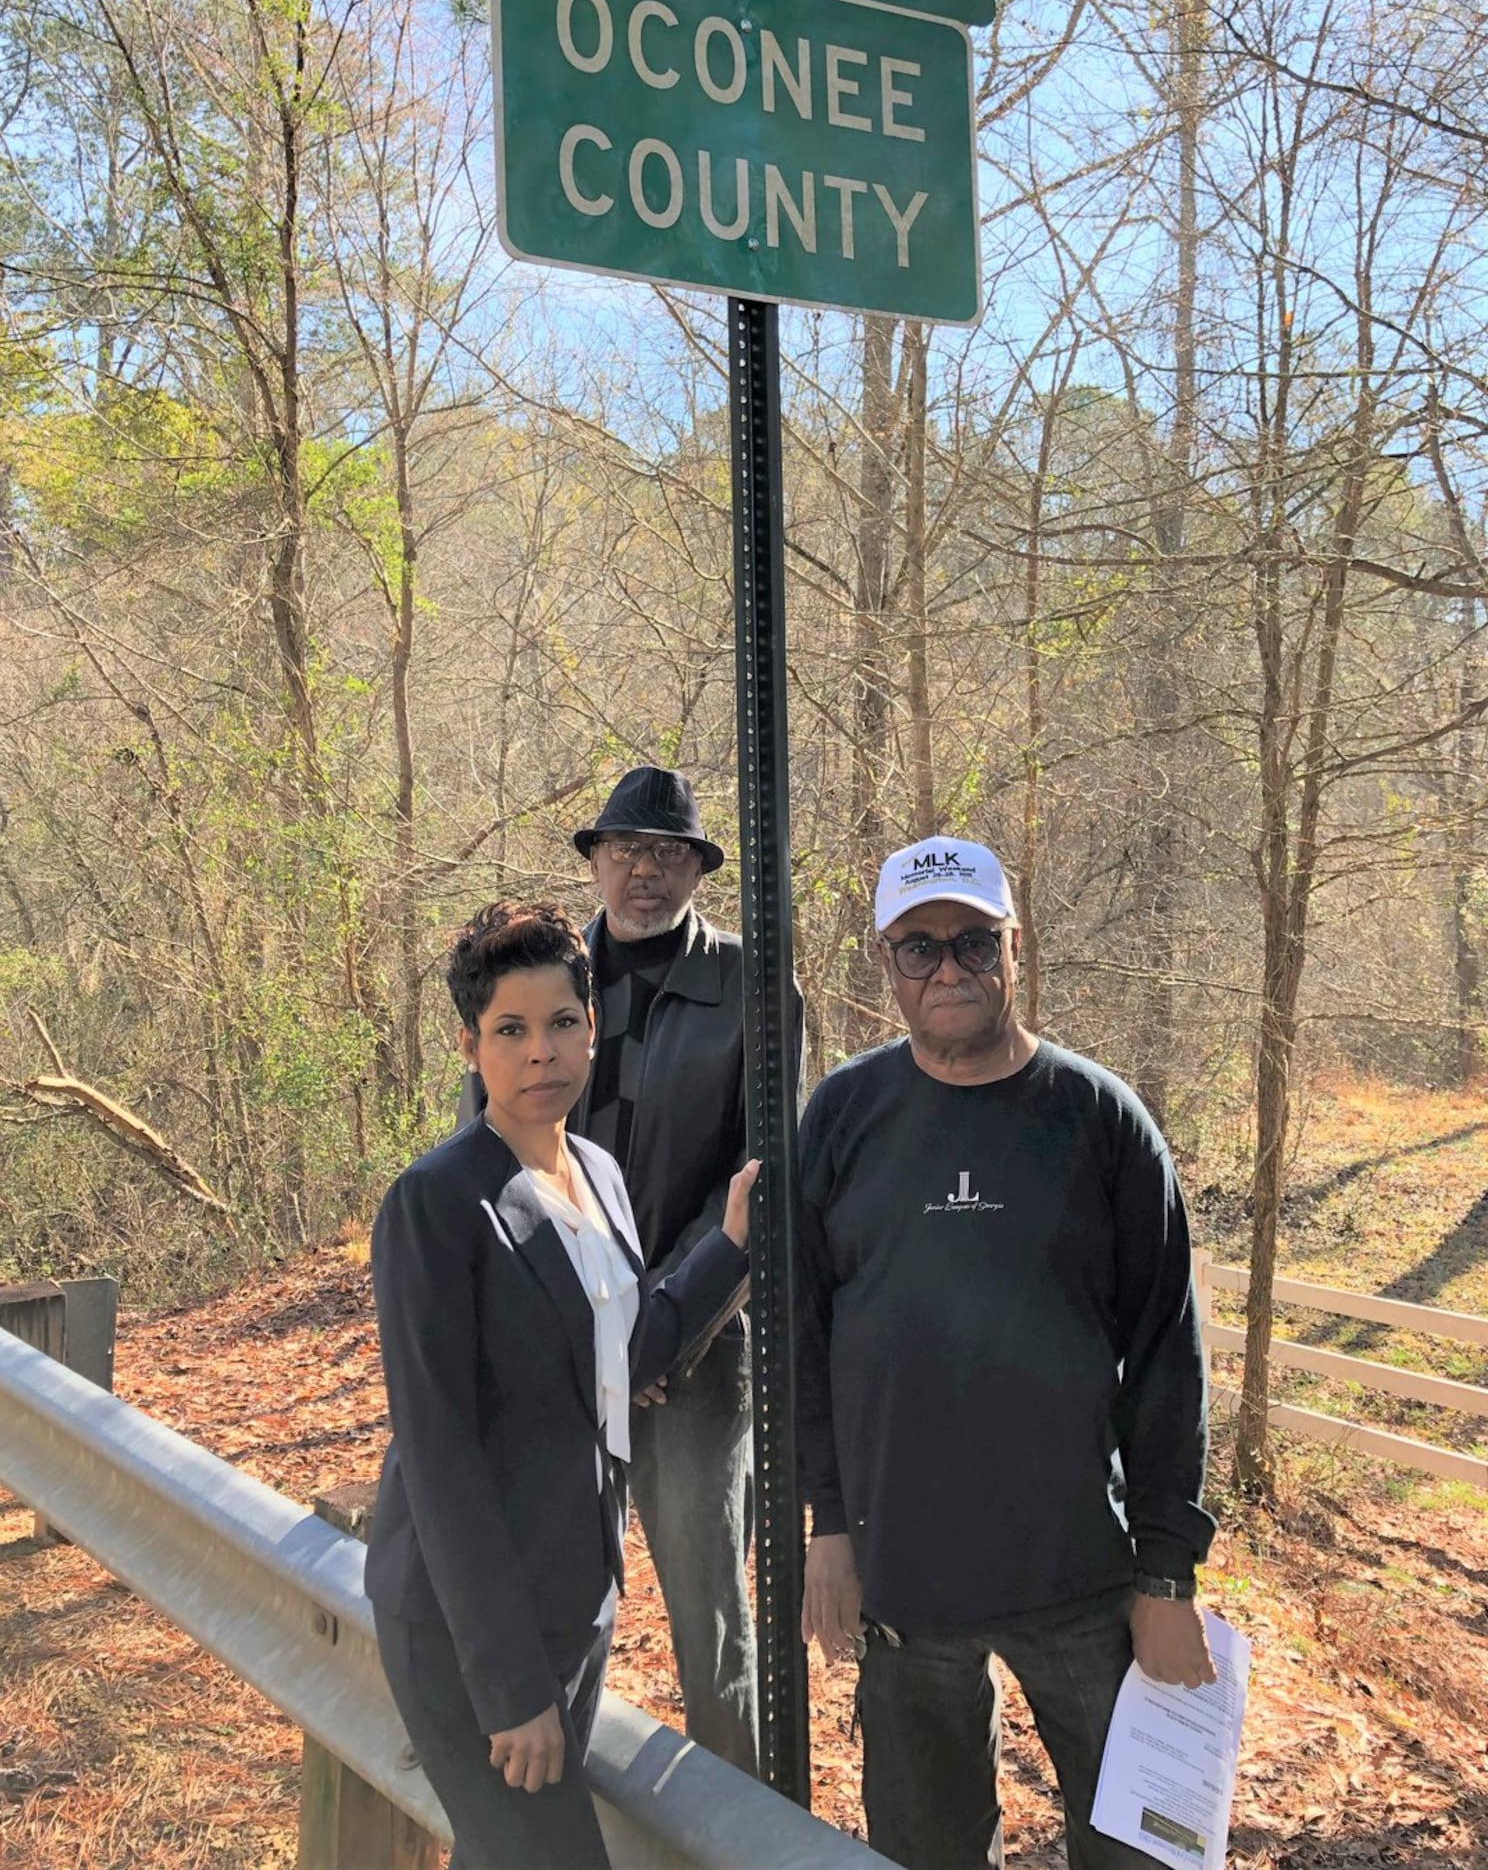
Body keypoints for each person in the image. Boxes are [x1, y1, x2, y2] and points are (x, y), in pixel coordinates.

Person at [796, 837, 1217, 1870]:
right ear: (883, 961)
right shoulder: (844, 1118)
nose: (948, 972)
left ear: (1016, 948)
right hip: (903, 1579)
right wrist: (828, 1525)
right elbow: (801, 1342)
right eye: (920, 948)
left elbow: (1167, 1350)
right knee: (925, 1851)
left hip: (1079, 1572)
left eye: (974, 944)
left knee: (1137, 1853)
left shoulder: (1100, 1120)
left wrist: (1166, 1577)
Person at [365, 900, 758, 1870]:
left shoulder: (596, 1173)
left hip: (574, 1604)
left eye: (562, 1024)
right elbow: (441, 1458)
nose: (541, 1052)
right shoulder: (437, 1203)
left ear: (592, 1030)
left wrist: (732, 1244)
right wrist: (509, 1691)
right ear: (469, 1046)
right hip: (471, 1636)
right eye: (511, 1030)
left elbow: (630, 1352)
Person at [461, 765, 773, 1773]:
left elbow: (756, 1185)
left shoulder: (751, 989)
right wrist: (576, 1329)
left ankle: (740, 1828)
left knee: (708, 1619)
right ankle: (533, 1798)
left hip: (693, 1355)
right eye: (626, 850)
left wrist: (659, 1329)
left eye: (669, 853)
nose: (645, 872)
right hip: (557, 1348)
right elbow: (496, 1155)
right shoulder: (550, 980)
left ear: (697, 868)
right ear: (594, 860)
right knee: (551, 1587)